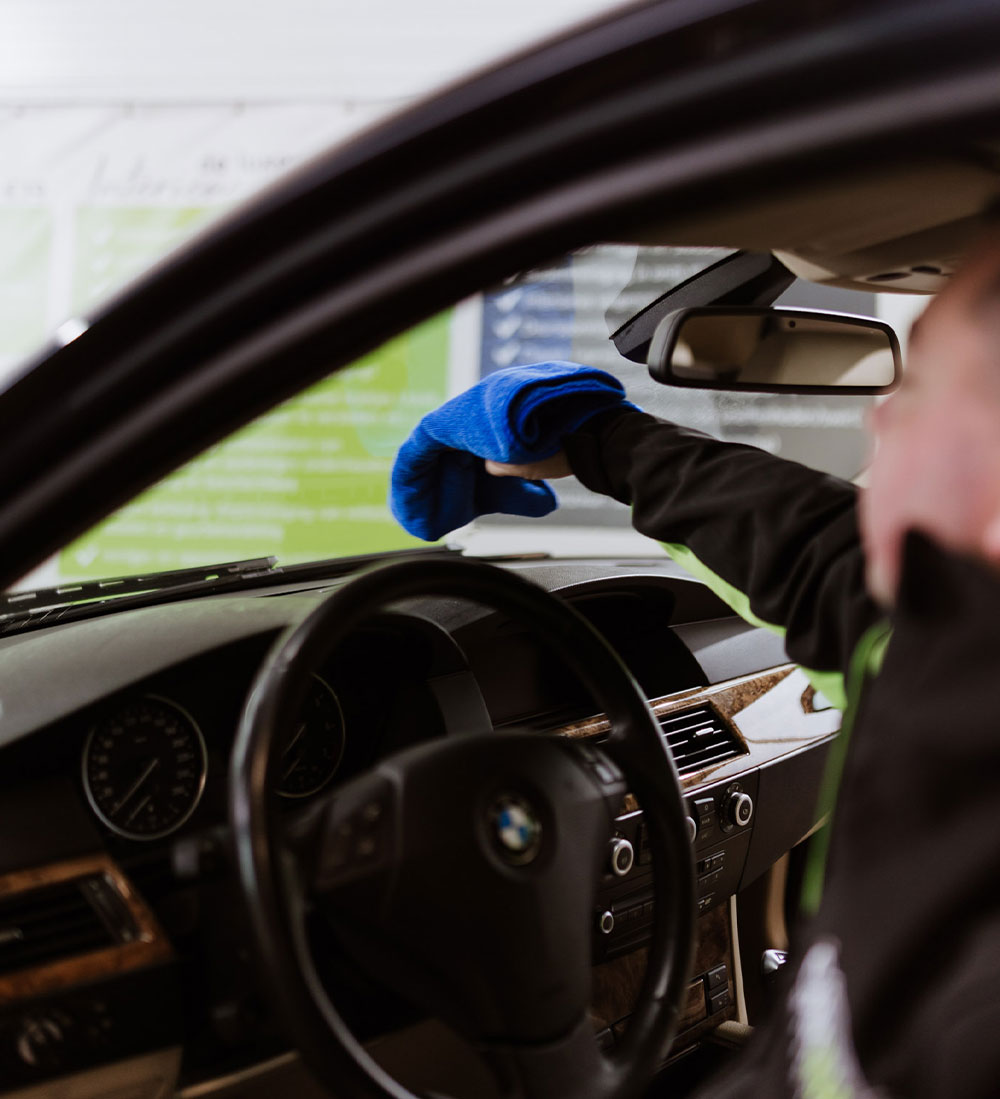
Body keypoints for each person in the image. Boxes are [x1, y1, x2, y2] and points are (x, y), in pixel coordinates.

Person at [480, 234, 1000, 1097]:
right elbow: (806, 544)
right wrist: (600, 440)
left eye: (919, 395)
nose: (881, 418)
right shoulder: (940, 646)